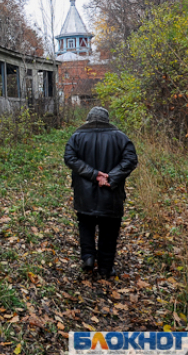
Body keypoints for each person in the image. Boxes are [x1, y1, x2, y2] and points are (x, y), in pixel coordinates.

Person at [64, 106, 138, 278]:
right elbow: (131, 159)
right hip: (111, 194)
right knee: (109, 228)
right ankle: (105, 268)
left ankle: (88, 257)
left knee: (86, 224)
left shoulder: (77, 137)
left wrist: (94, 174)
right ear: (107, 120)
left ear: (89, 119)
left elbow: (69, 158)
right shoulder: (120, 137)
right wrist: (109, 177)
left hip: (84, 194)